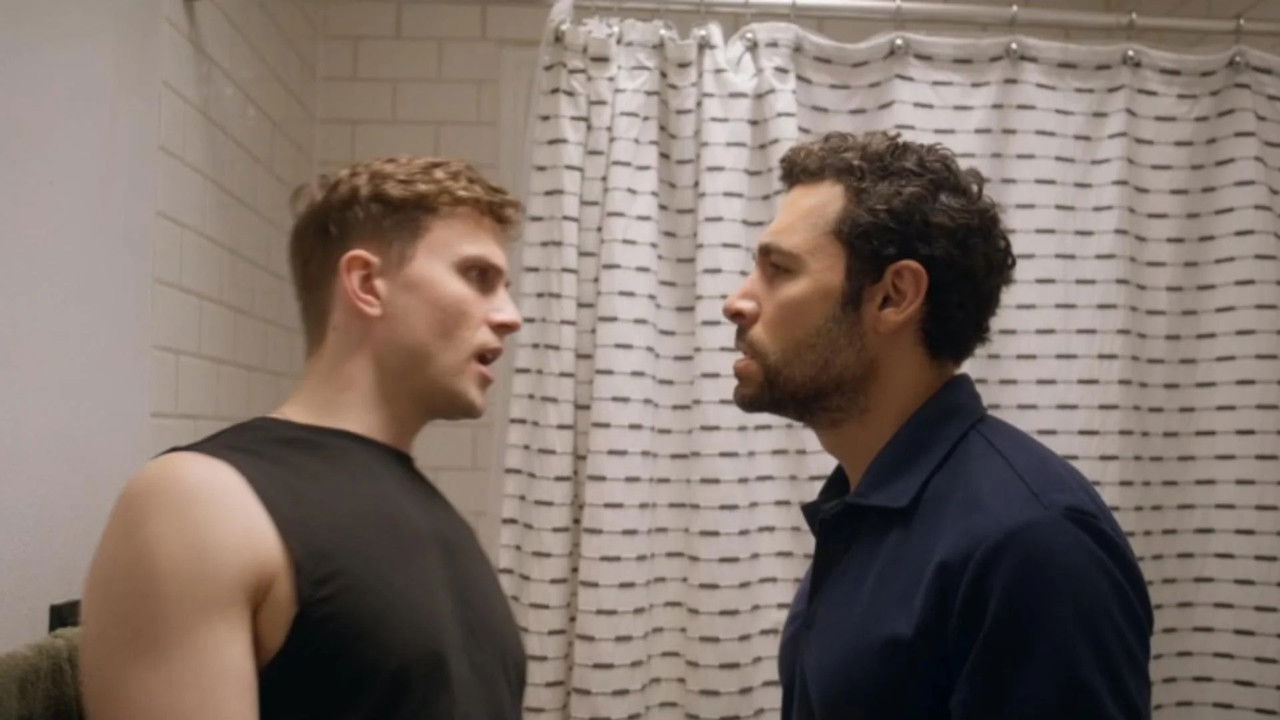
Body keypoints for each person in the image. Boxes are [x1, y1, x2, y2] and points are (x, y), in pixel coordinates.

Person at [723, 131, 1153, 719]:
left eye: (778, 269)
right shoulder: (866, 503)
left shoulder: (1032, 543)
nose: (737, 301)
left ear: (893, 296)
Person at [80, 157, 527, 720]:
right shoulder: (196, 501)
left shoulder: (434, 514)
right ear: (367, 284)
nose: (510, 316)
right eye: (478, 276)